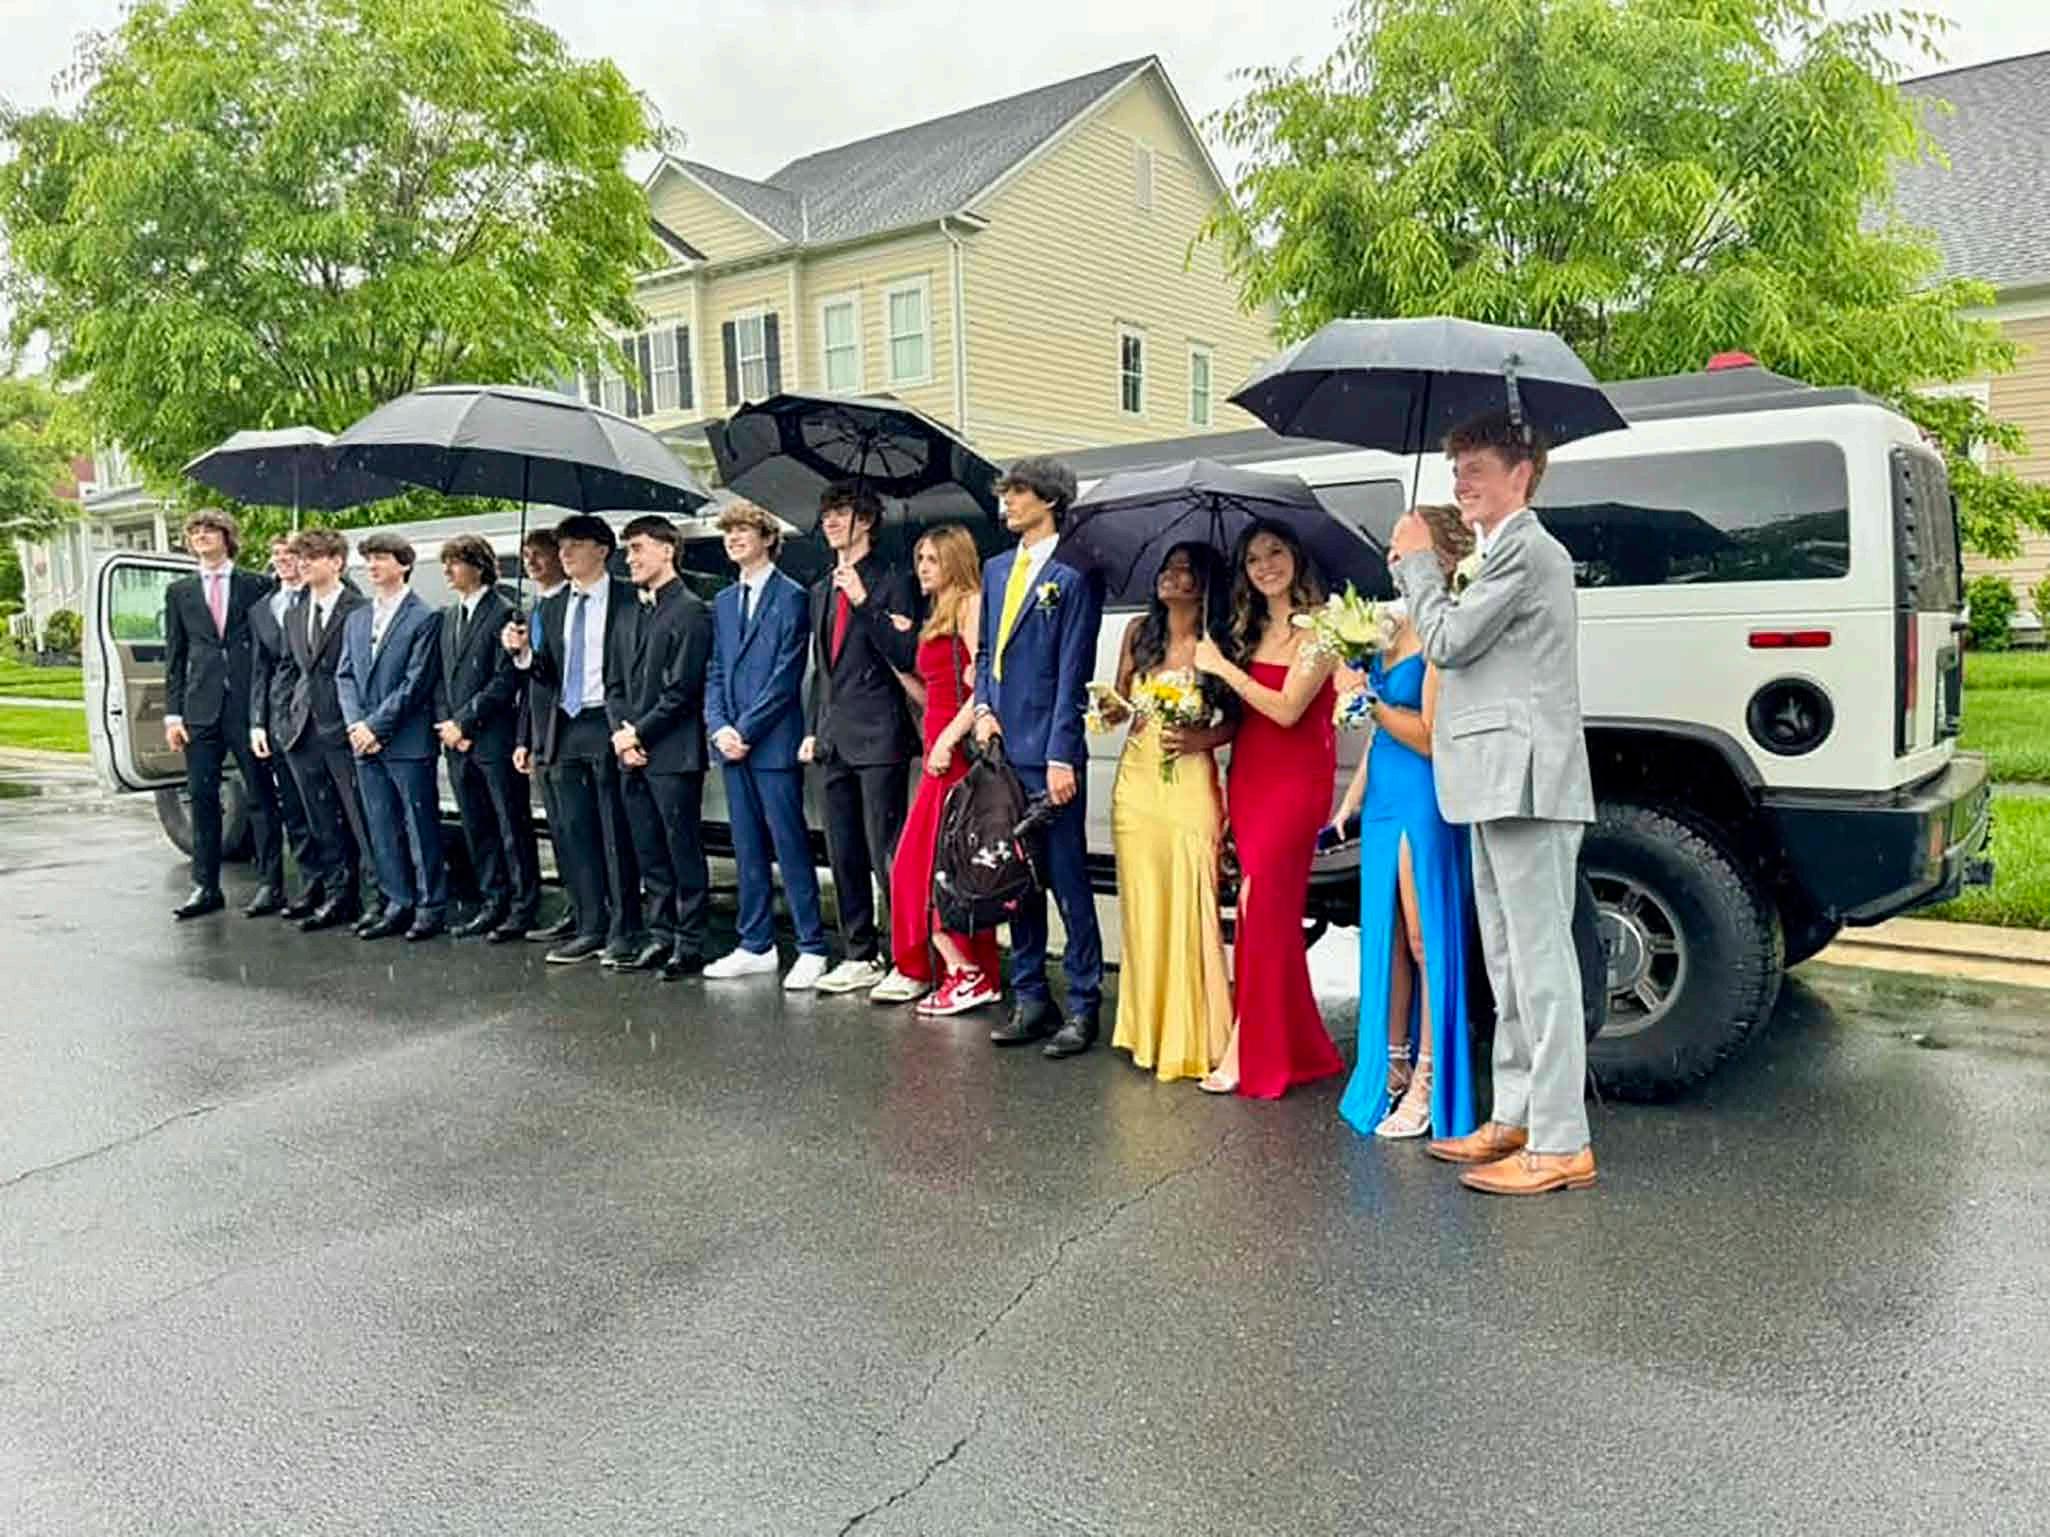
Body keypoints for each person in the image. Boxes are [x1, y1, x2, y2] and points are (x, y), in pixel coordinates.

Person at [1390, 412, 1598, 1196]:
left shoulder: (1529, 550)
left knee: (1542, 965)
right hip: (1492, 779)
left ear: (1523, 473)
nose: (1460, 482)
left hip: (1527, 780)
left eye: (1476, 467)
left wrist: (1419, 564)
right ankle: (1515, 1114)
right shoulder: (1495, 552)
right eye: (1456, 469)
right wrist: (1424, 570)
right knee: (1508, 962)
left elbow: (1448, 641)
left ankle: (1562, 1139)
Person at [1334, 504, 1480, 1143]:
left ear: (1441, 558)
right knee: (1386, 934)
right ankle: (1391, 1064)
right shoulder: (1391, 628)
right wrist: (1351, 799)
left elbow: (1427, 737)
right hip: (1385, 795)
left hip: (1423, 793)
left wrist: (1366, 700)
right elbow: (1378, 739)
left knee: (1424, 938)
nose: (1392, 559)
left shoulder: (1445, 636)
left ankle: (1430, 1077)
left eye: (1403, 547)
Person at [1191, 520, 1347, 1098]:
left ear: (1296, 556)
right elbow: (1245, 716)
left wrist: (1222, 667)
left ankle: (1245, 1047)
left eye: (1276, 552)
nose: (1265, 567)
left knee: (1262, 908)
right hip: (1251, 775)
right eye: (1253, 559)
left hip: (1296, 780)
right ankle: (1297, 1043)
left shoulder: (1323, 626)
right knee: (1262, 910)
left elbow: (1286, 709)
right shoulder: (1249, 629)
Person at [974, 456, 1105, 1058]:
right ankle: (1030, 996)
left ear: (1049, 500)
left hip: (1049, 753)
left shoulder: (1076, 572)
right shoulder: (997, 568)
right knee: (1015, 880)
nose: (1007, 502)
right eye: (1006, 492)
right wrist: (982, 707)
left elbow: (1074, 671)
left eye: (1018, 492)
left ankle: (1082, 1003)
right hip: (1001, 749)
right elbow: (984, 652)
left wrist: (1061, 755)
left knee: (1067, 881)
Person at [1100, 543, 1237, 1082]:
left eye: (1185, 570)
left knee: (1190, 898)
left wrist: (1202, 738)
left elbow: (1240, 721)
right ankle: (1146, 1031)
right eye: (1167, 567)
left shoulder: (1219, 644)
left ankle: (1193, 1035)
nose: (1170, 576)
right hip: (1135, 783)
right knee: (1143, 902)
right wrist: (1109, 708)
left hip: (1189, 782)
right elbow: (1120, 703)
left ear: (1204, 585)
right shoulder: (1139, 632)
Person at [870, 524, 1004, 1013]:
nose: (922, 568)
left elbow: (984, 684)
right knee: (930, 866)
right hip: (937, 748)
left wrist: (948, 740)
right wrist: (898, 666)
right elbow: (935, 696)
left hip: (953, 757)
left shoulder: (970, 604)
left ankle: (966, 972)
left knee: (925, 867)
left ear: (955, 560)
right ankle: (959, 969)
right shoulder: (937, 613)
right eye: (919, 559)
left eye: (932, 559)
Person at [503, 516, 645, 967]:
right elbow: (545, 673)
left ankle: (625, 928)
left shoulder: (629, 599)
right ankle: (589, 925)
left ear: (602, 550)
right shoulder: (551, 606)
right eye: (562, 545)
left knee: (615, 832)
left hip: (608, 721)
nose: (564, 553)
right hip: (563, 726)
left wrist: (633, 726)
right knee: (573, 831)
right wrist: (522, 654)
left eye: (575, 544)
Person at [702, 500, 830, 989]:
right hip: (732, 744)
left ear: (768, 539)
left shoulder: (792, 596)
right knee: (747, 847)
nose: (733, 539)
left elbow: (787, 675)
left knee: (789, 845)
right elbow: (715, 669)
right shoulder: (723, 601)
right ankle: (755, 943)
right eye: (728, 532)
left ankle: (812, 946)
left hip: (772, 744)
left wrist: (746, 730)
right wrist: (720, 727)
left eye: (743, 531)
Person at [800, 482, 920, 996]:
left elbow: (905, 655)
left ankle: (906, 958)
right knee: (842, 850)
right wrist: (813, 728)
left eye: (842, 513)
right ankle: (859, 953)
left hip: (879, 734)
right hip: (833, 738)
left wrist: (865, 602)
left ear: (866, 521)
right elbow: (822, 670)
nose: (830, 522)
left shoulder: (894, 582)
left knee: (884, 851)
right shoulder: (820, 590)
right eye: (826, 513)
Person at [161, 508, 282, 919]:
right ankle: (206, 886)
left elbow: (268, 647)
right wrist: (173, 714)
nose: (201, 535)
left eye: (209, 529)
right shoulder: (180, 592)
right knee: (202, 797)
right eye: (195, 530)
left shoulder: (256, 585)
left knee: (260, 795)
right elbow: (175, 656)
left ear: (227, 537)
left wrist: (263, 709)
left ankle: (270, 884)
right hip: (200, 708)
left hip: (246, 706)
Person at [610, 515, 715, 981]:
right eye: (628, 550)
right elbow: (614, 683)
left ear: (667, 550)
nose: (629, 558)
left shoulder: (691, 610)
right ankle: (661, 933)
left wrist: (639, 734)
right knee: (648, 849)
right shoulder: (629, 613)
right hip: (630, 752)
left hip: (673, 753)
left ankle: (690, 942)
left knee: (681, 848)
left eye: (637, 548)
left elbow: (683, 690)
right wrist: (622, 736)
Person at [336, 532, 448, 941]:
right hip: (364, 741)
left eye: (381, 558)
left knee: (420, 827)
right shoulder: (357, 618)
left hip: (407, 740)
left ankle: (430, 905)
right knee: (381, 825)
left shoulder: (424, 617)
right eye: (368, 558)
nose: (372, 565)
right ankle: (396, 901)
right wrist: (356, 724)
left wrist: (375, 726)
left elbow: (416, 683)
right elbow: (345, 674)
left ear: (404, 564)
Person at [434, 535, 540, 943]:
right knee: (477, 827)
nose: (447, 571)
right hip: (457, 743)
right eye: (445, 563)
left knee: (511, 825)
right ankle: (492, 901)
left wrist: (465, 722)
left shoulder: (505, 612)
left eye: (455, 562)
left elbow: (505, 679)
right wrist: (448, 725)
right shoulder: (448, 616)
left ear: (478, 566)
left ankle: (523, 906)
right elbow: (441, 678)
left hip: (493, 739)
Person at [279, 528, 369, 931]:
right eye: (300, 557)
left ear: (336, 562)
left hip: (344, 726)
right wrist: (283, 718)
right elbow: (287, 669)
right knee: (321, 820)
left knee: (360, 819)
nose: (303, 564)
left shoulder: (358, 609)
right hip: (302, 730)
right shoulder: (296, 612)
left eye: (312, 557)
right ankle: (337, 895)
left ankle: (375, 897)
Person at [247, 533, 321, 919]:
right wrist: (257, 722)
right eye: (276, 553)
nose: (283, 559)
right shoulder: (262, 609)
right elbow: (259, 669)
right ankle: (309, 884)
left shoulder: (321, 596)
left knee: (321, 806)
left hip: (316, 713)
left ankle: (339, 884)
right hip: (279, 716)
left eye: (290, 553)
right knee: (293, 807)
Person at [511, 529, 578, 944]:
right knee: (559, 830)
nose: (531, 563)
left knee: (577, 828)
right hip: (540, 734)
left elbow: (555, 674)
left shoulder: (570, 604)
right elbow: (530, 687)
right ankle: (575, 905)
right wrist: (524, 738)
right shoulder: (532, 609)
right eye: (525, 556)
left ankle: (591, 908)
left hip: (567, 730)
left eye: (539, 554)